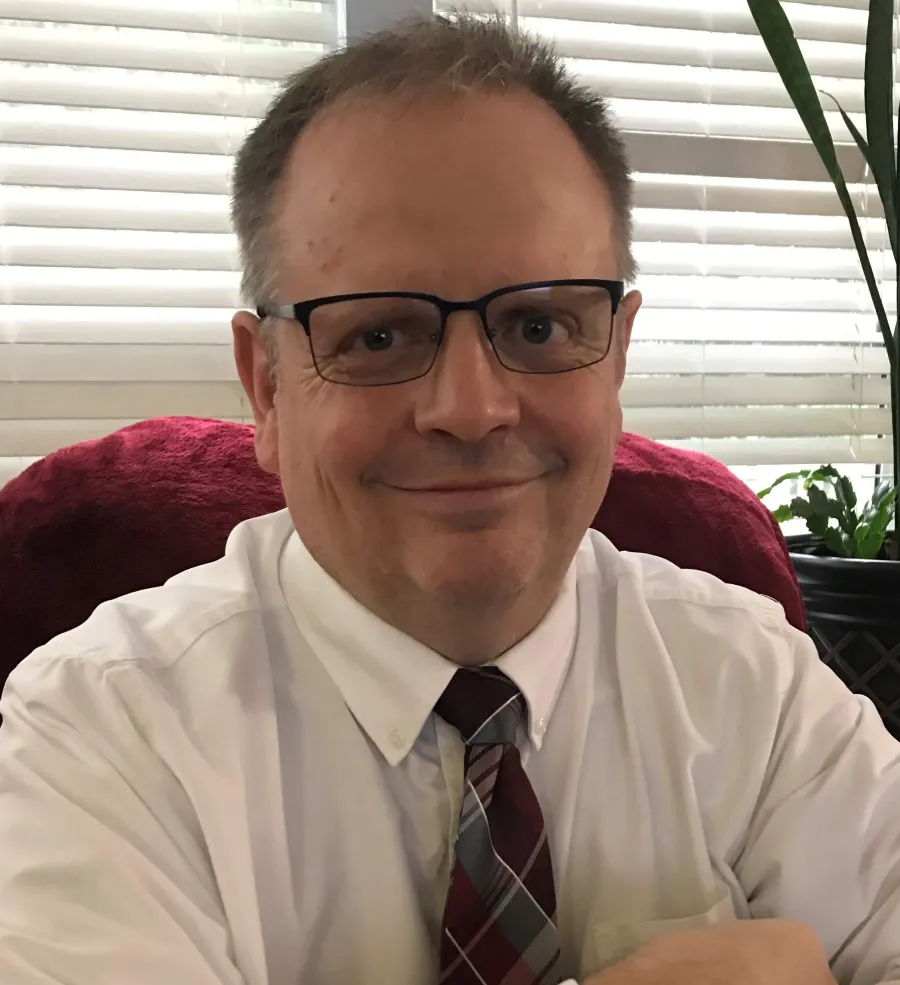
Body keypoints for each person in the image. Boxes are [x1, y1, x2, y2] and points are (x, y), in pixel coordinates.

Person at [0, 13, 896, 985]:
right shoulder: (100, 735)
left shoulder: (752, 688)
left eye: (542, 322)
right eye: (380, 335)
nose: (471, 408)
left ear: (619, 353)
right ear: (265, 387)